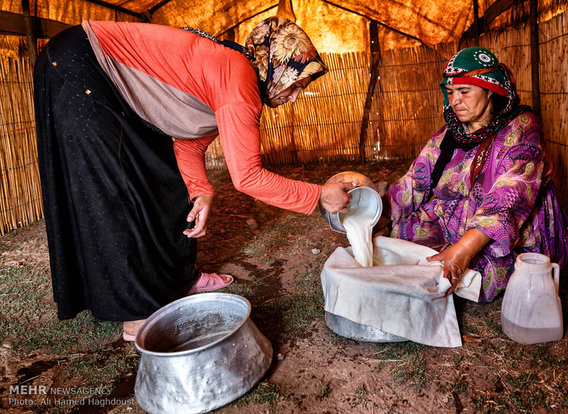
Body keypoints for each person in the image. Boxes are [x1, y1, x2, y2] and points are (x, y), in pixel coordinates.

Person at [33, 17, 353, 340]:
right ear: (276, 67)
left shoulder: (234, 70)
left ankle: (180, 280)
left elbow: (189, 138)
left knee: (168, 184)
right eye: (295, 84)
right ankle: (134, 314)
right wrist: (319, 195)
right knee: (119, 189)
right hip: (82, 62)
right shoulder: (239, 80)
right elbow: (248, 178)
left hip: (89, 67)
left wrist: (201, 189)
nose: (295, 97)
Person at [385, 47, 568, 302]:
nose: (455, 100)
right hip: (456, 216)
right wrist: (379, 214)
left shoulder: (522, 130)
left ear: (491, 91)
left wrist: (464, 250)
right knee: (400, 237)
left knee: (477, 275)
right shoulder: (450, 133)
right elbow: (416, 181)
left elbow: (508, 199)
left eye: (465, 91)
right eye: (451, 92)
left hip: (510, 224)